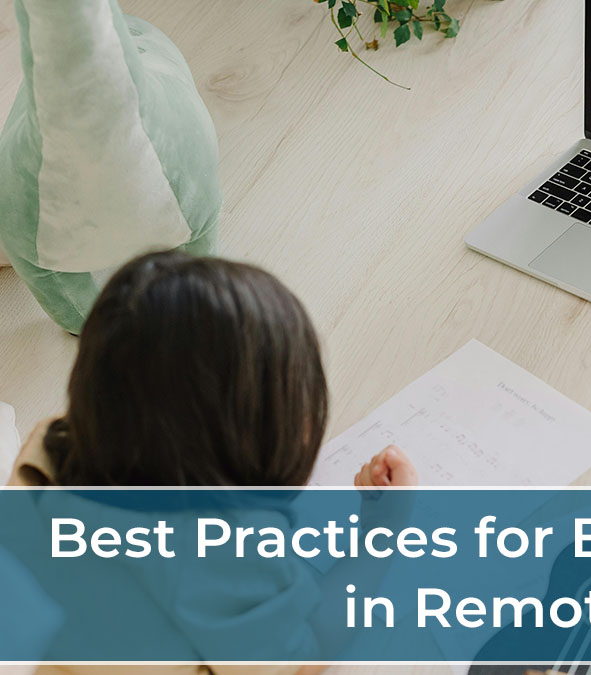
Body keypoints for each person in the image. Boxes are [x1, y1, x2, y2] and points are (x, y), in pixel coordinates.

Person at [6, 251, 415, 674]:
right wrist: (380, 533)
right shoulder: (223, 552)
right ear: (238, 441)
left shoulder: (51, 448)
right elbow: (304, 657)